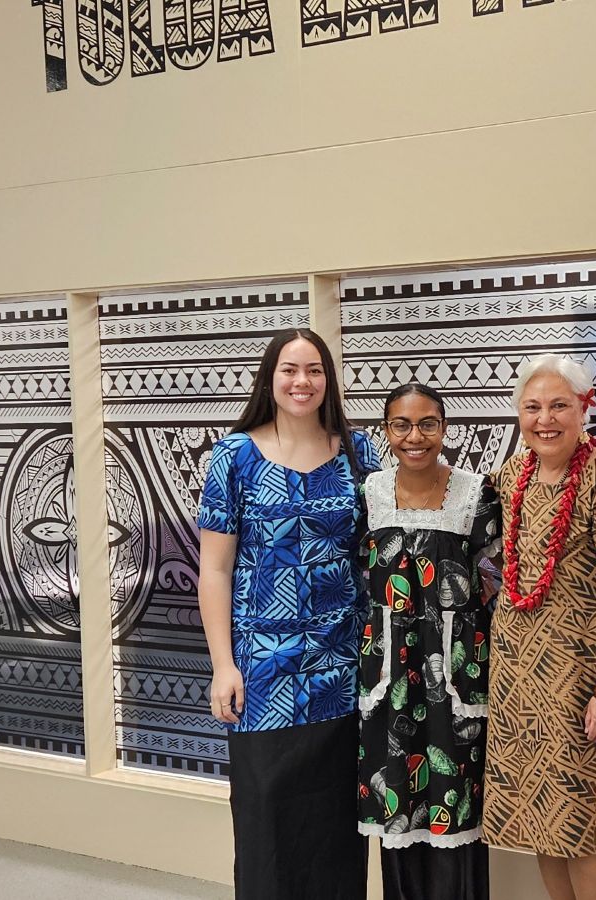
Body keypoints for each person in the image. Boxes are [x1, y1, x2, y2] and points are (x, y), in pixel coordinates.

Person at [196, 328, 377, 900]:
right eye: (291, 370)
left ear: (329, 380)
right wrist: (223, 665)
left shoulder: (358, 452)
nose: (303, 382)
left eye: (315, 370)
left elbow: (382, 550)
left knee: (334, 830)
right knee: (266, 823)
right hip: (262, 672)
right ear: (270, 379)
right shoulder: (234, 458)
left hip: (341, 667)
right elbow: (215, 571)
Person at [482, 354, 596, 900]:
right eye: (532, 407)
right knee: (540, 821)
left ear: (584, 408)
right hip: (518, 682)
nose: (544, 419)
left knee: (585, 822)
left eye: (558, 406)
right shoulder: (511, 475)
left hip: (580, 680)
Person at [356, 383, 502, 900]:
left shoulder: (476, 493)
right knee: (395, 804)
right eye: (401, 425)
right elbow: (357, 579)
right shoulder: (370, 493)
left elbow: (496, 582)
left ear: (445, 428)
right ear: (386, 430)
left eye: (427, 424)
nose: (414, 437)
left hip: (453, 672)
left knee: (454, 803)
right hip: (388, 675)